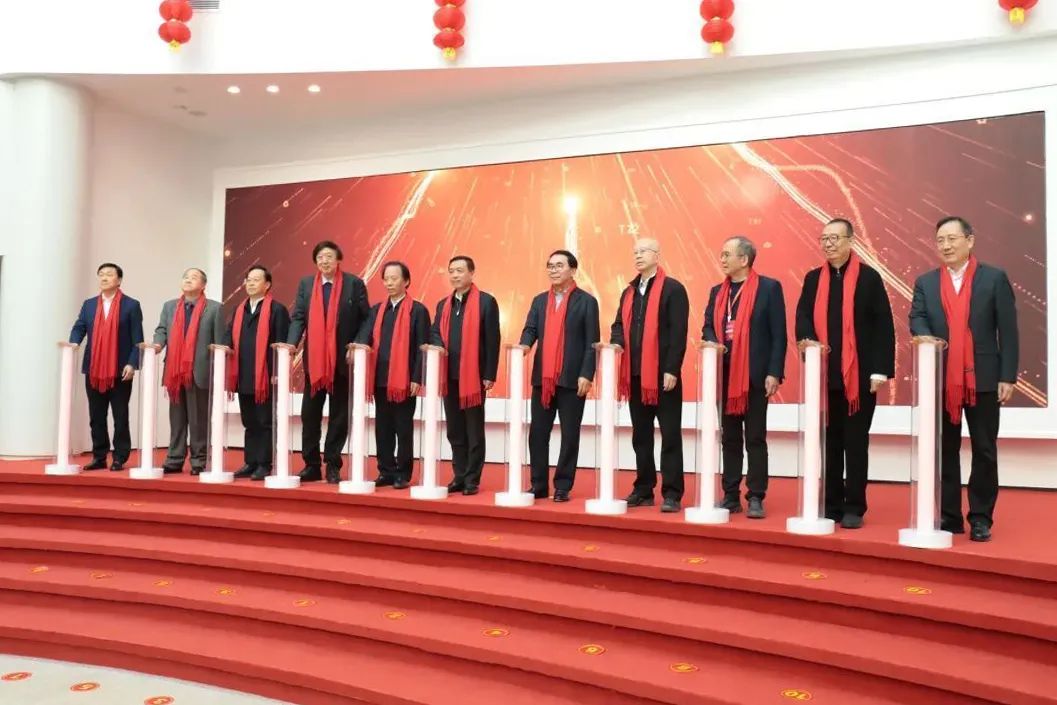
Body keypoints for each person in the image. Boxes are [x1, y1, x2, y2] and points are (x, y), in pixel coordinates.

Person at [909, 215, 1018, 542]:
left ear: (969, 241)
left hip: (983, 378)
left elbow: (1008, 331)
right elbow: (917, 317)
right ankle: (950, 515)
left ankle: (981, 517)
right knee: (945, 449)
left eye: (952, 239)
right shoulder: (926, 282)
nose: (946, 245)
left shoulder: (994, 278)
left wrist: (1007, 375)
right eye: (940, 240)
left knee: (984, 449)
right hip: (942, 378)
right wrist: (925, 335)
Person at [795, 218, 895, 528]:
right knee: (830, 443)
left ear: (850, 241)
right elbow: (802, 317)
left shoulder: (869, 278)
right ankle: (832, 503)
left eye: (835, 238)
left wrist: (880, 370)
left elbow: (883, 326)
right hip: (825, 377)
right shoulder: (813, 279)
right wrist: (807, 340)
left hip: (860, 379)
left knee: (855, 443)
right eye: (824, 238)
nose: (828, 244)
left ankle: (854, 507)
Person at [702, 236, 787, 519]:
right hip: (724, 376)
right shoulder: (717, 292)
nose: (722, 259)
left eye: (727, 254)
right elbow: (708, 326)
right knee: (729, 439)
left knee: (755, 438)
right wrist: (713, 341)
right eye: (722, 254)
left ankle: (756, 496)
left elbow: (779, 334)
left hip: (755, 376)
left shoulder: (769, 288)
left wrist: (774, 372)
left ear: (744, 259)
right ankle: (730, 495)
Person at [610, 239, 689, 513]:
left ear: (657, 255)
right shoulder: (629, 291)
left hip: (664, 376)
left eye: (643, 251)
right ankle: (643, 488)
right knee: (641, 436)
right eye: (635, 252)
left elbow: (678, 332)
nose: (638, 255)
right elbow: (618, 324)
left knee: (670, 435)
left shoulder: (673, 289)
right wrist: (616, 343)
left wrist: (672, 368)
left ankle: (672, 493)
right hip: (635, 375)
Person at [519, 249, 600, 502]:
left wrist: (587, 373)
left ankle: (563, 485)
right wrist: (524, 345)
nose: (553, 270)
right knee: (537, 434)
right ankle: (538, 485)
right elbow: (530, 329)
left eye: (559, 265)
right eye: (550, 266)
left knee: (569, 434)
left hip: (572, 378)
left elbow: (592, 341)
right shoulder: (539, 301)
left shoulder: (586, 301)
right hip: (543, 379)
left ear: (573, 270)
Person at [287, 240, 370, 484]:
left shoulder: (354, 284)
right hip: (315, 363)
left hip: (342, 361)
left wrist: (357, 343)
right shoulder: (306, 284)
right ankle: (311, 465)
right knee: (309, 414)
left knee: (339, 416)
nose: (324, 261)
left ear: (338, 259)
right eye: (320, 257)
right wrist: (291, 344)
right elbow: (298, 317)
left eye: (329, 256)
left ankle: (333, 464)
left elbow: (367, 319)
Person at [356, 261, 431, 490]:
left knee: (403, 428)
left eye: (394, 278)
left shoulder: (418, 310)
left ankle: (402, 473)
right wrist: (357, 346)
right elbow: (365, 335)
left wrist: (417, 377)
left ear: (406, 281)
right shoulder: (377, 310)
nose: (389, 282)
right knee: (383, 427)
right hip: (380, 378)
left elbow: (423, 347)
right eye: (386, 278)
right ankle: (386, 470)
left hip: (404, 380)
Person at [430, 255, 501, 496]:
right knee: (454, 430)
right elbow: (435, 332)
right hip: (449, 375)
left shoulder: (486, 302)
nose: (455, 275)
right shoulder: (443, 305)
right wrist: (437, 344)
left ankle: (472, 479)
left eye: (460, 271)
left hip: (474, 377)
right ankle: (459, 475)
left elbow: (493, 339)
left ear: (471, 273)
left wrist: (489, 373)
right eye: (451, 271)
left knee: (473, 430)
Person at [69, 262, 144, 471]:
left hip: (120, 369)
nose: (104, 278)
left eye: (109, 274)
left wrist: (132, 363)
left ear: (119, 280)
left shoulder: (131, 305)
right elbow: (79, 327)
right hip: (94, 369)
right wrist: (73, 343)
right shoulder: (89, 305)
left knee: (120, 416)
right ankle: (99, 456)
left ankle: (120, 457)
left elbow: (137, 338)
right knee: (96, 416)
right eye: (101, 274)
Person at [154, 268, 225, 475]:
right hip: (175, 372)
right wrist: (158, 344)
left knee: (198, 420)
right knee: (176, 420)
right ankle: (174, 459)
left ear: (203, 285)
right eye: (185, 276)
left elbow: (220, 340)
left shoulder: (214, 308)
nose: (188, 280)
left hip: (200, 371)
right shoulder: (169, 307)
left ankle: (198, 461)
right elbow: (162, 330)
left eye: (193, 277)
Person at [224, 265, 291, 481]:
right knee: (249, 421)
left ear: (267, 284)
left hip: (266, 376)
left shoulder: (277, 310)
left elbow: (282, 343)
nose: (251, 283)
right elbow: (229, 336)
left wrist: (277, 371)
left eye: (256, 279)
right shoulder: (239, 309)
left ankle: (264, 463)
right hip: (243, 374)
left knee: (264, 421)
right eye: (248, 279)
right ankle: (250, 462)